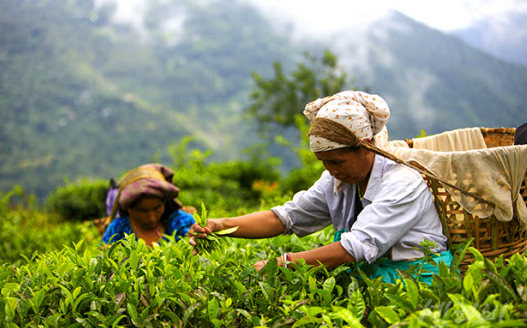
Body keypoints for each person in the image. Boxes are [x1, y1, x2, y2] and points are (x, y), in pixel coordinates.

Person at [190, 91, 451, 284]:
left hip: (418, 280)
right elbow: (286, 217)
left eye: (338, 161)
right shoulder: (338, 180)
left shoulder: (402, 183)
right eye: (324, 162)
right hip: (374, 279)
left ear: (366, 145)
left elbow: (355, 248)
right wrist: (222, 225)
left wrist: (284, 263)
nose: (331, 170)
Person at [101, 163, 195, 247]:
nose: (151, 217)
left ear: (164, 202)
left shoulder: (182, 222)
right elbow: (103, 256)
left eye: (157, 208)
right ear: (129, 209)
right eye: (142, 211)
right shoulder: (118, 228)